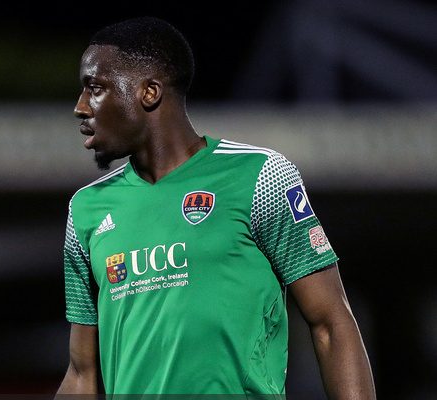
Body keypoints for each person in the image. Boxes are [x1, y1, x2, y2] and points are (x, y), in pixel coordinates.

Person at [56, 16, 376, 398]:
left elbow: (331, 323)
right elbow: (81, 373)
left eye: (95, 88)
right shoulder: (86, 211)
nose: (80, 107)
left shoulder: (261, 177)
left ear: (149, 92)